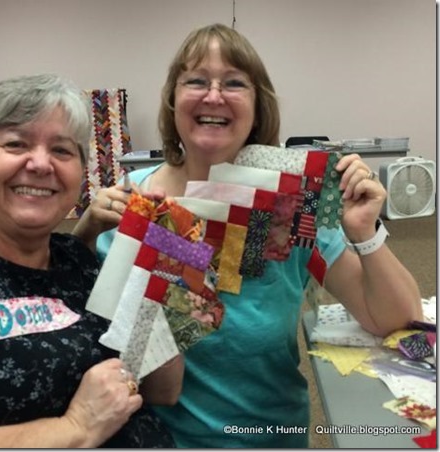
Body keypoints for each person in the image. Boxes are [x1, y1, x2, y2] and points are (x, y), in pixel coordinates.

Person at [74, 24, 423, 448]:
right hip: (155, 439)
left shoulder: (292, 206)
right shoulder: (132, 202)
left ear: (259, 107)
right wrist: (84, 235)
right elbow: (78, 337)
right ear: (173, 100)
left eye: (234, 83)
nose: (213, 95)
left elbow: (396, 320)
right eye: (196, 81)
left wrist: (365, 233)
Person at [0, 73, 183, 448]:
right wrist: (77, 427)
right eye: (15, 144)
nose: (41, 164)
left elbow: (163, 388)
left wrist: (151, 268)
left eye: (62, 150)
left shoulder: (77, 258)